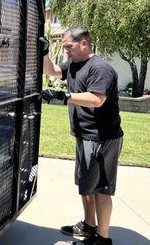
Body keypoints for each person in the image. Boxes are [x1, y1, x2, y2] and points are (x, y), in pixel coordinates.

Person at [41, 26, 123, 245]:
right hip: (84, 136)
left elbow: (97, 99)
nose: (66, 50)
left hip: (102, 138)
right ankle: (88, 225)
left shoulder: (100, 68)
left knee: (101, 189)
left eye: (69, 46)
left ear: (84, 43)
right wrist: (44, 53)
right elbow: (52, 71)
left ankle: (103, 239)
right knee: (86, 185)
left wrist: (64, 95)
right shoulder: (75, 65)